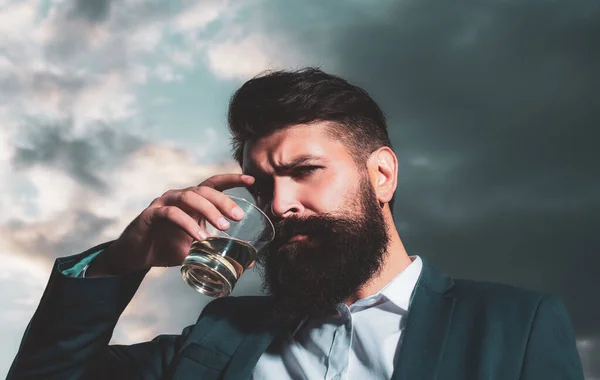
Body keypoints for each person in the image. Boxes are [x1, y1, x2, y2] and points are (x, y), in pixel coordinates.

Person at [8, 68, 584, 380]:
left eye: (305, 171)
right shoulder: (220, 334)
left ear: (381, 176)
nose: (279, 205)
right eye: (260, 185)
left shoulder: (514, 324)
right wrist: (119, 260)